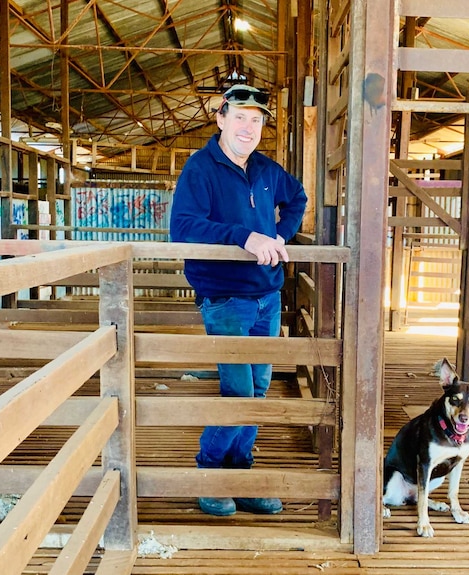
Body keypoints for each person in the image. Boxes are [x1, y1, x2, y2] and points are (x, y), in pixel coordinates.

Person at [169, 84, 308, 516]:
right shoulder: (200, 169)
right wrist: (245, 236)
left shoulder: (267, 170)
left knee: (259, 388)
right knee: (239, 390)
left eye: (257, 119)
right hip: (226, 297)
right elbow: (185, 227)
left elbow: (298, 199)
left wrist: (279, 236)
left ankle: (240, 474)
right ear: (221, 119)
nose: (249, 126)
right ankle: (208, 474)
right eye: (241, 117)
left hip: (267, 295)